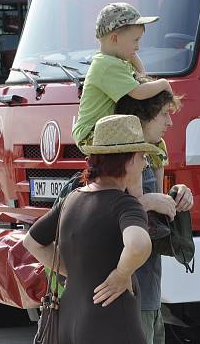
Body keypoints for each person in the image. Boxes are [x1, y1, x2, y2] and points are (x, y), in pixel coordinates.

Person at [24, 114, 156, 344]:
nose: (145, 164)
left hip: (68, 320)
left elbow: (32, 242)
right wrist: (121, 274)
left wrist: (76, 271)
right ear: (127, 160)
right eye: (142, 157)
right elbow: (139, 244)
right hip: (112, 324)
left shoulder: (71, 199)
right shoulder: (124, 204)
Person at [116, 87, 194, 344]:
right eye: (163, 114)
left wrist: (178, 195)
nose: (170, 122)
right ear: (142, 117)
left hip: (149, 288)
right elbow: (110, 211)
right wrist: (148, 201)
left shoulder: (150, 153)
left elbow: (154, 214)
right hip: (133, 292)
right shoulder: (124, 159)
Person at [72, 2, 173, 151]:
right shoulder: (107, 65)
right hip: (91, 133)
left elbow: (141, 76)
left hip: (105, 128)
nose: (138, 46)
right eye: (135, 40)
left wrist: (132, 55)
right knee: (148, 144)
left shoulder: (115, 62)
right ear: (114, 39)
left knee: (155, 144)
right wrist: (164, 83)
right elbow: (138, 92)